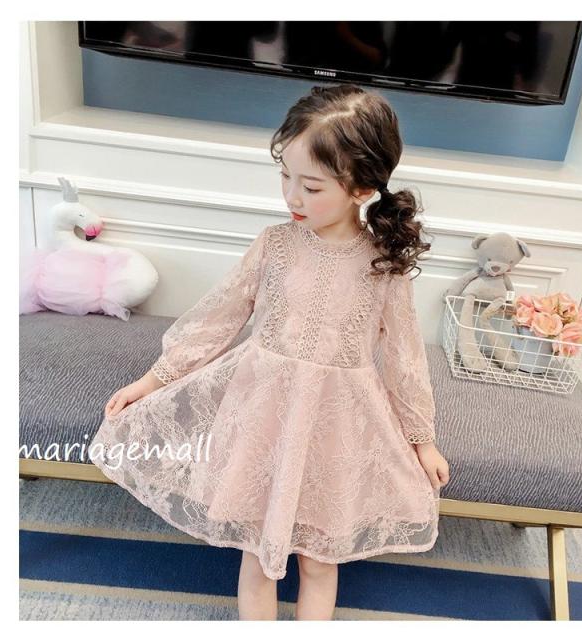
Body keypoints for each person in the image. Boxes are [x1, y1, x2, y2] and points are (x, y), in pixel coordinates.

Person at [89, 83, 450, 621]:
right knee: (257, 555)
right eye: (286, 177)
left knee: (320, 561)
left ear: (361, 189)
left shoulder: (383, 264)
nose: (292, 197)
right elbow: (219, 317)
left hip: (335, 426)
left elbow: (404, 357)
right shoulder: (275, 244)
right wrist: (153, 381)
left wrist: (422, 441)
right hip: (262, 414)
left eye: (311, 186)